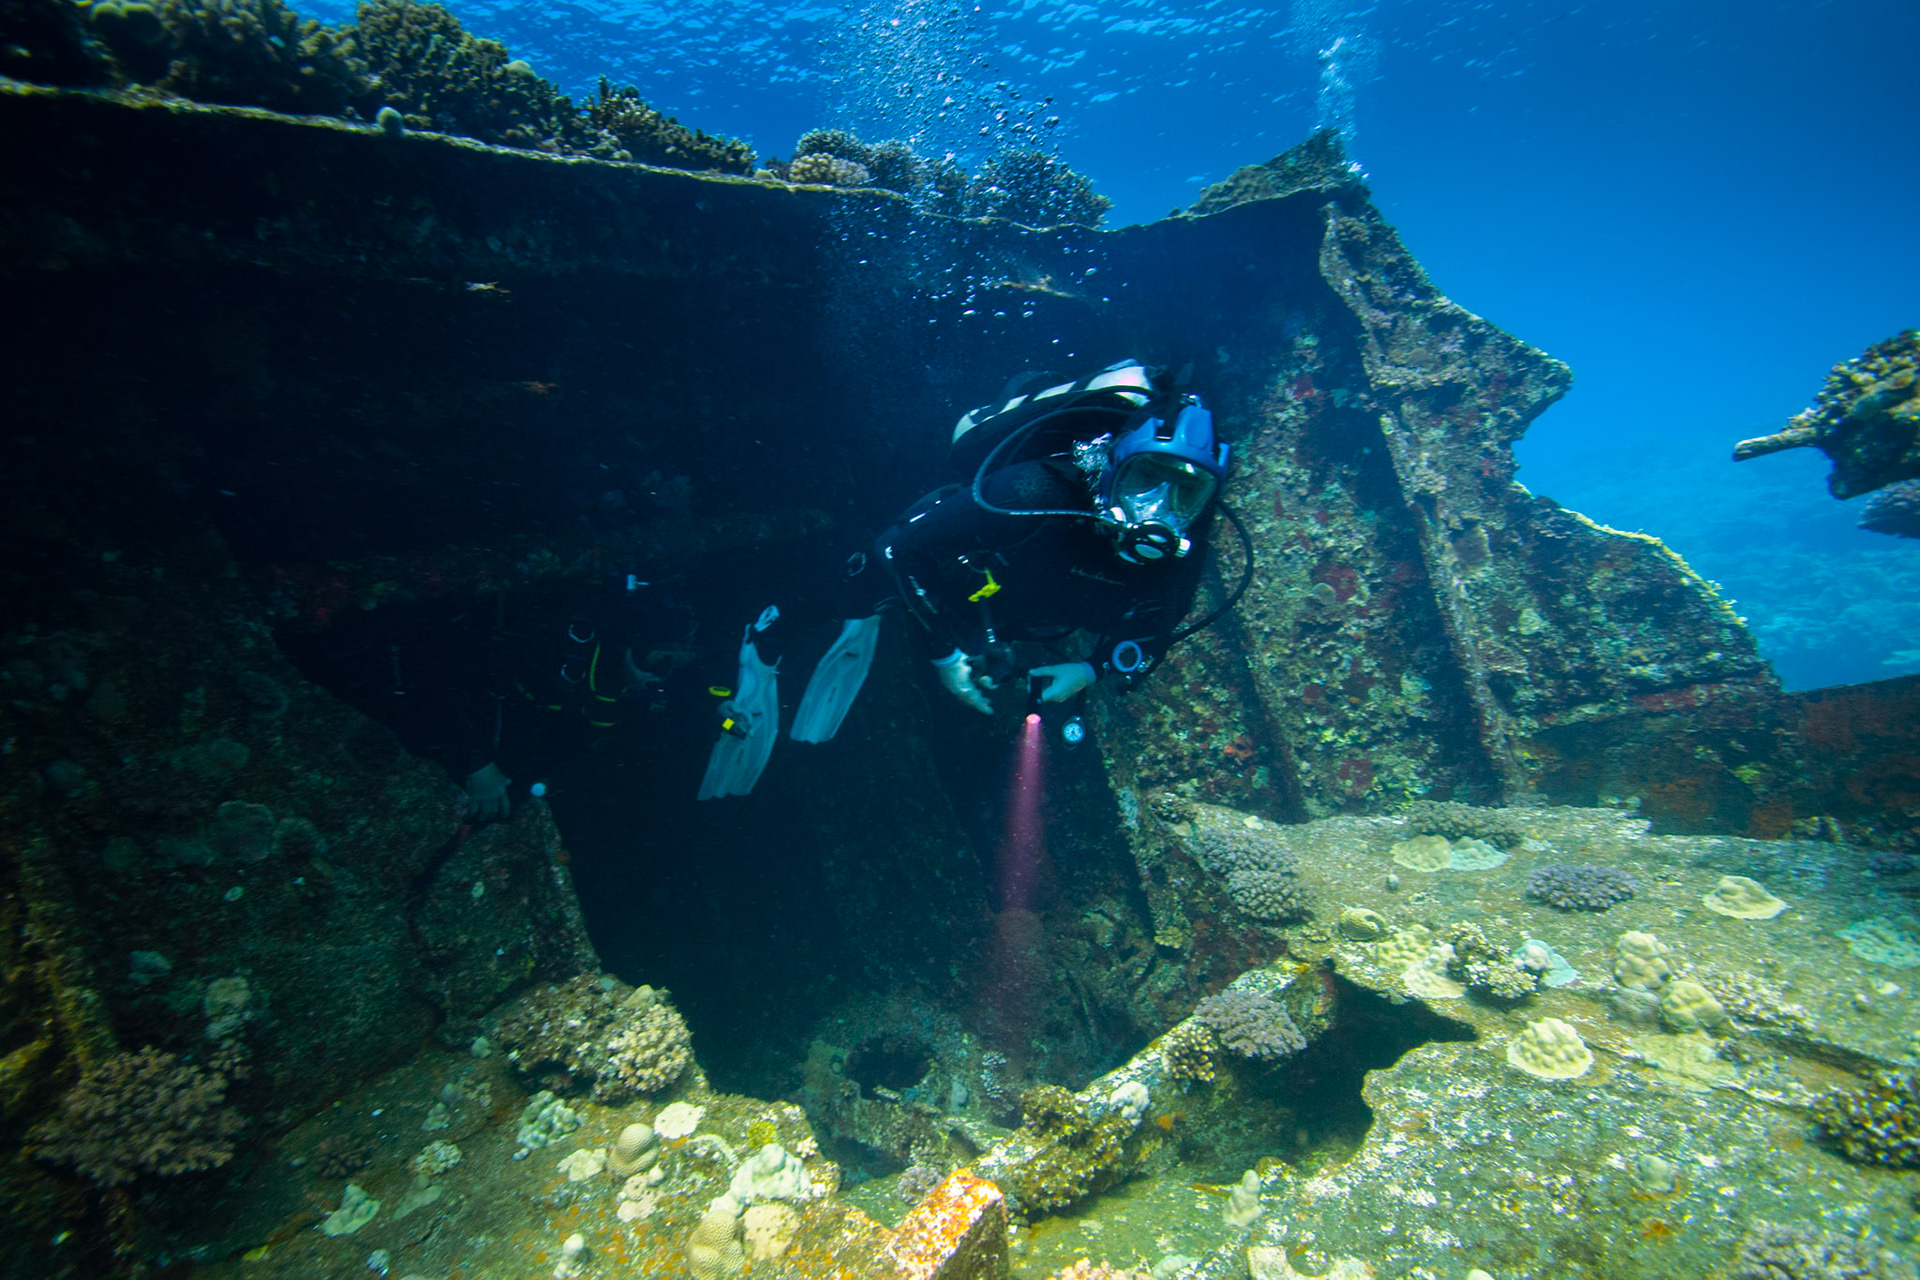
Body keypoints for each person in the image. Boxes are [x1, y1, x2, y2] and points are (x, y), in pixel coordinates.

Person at [697, 358, 1245, 799]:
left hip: (1007, 610)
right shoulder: (1036, 492)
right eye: (1146, 480)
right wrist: (943, 656)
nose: (1159, 511)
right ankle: (762, 639)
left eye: (1185, 494)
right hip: (950, 572)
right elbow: (897, 547)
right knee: (861, 585)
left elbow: (1152, 637)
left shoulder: (1181, 547)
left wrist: (1088, 668)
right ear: (1112, 468)